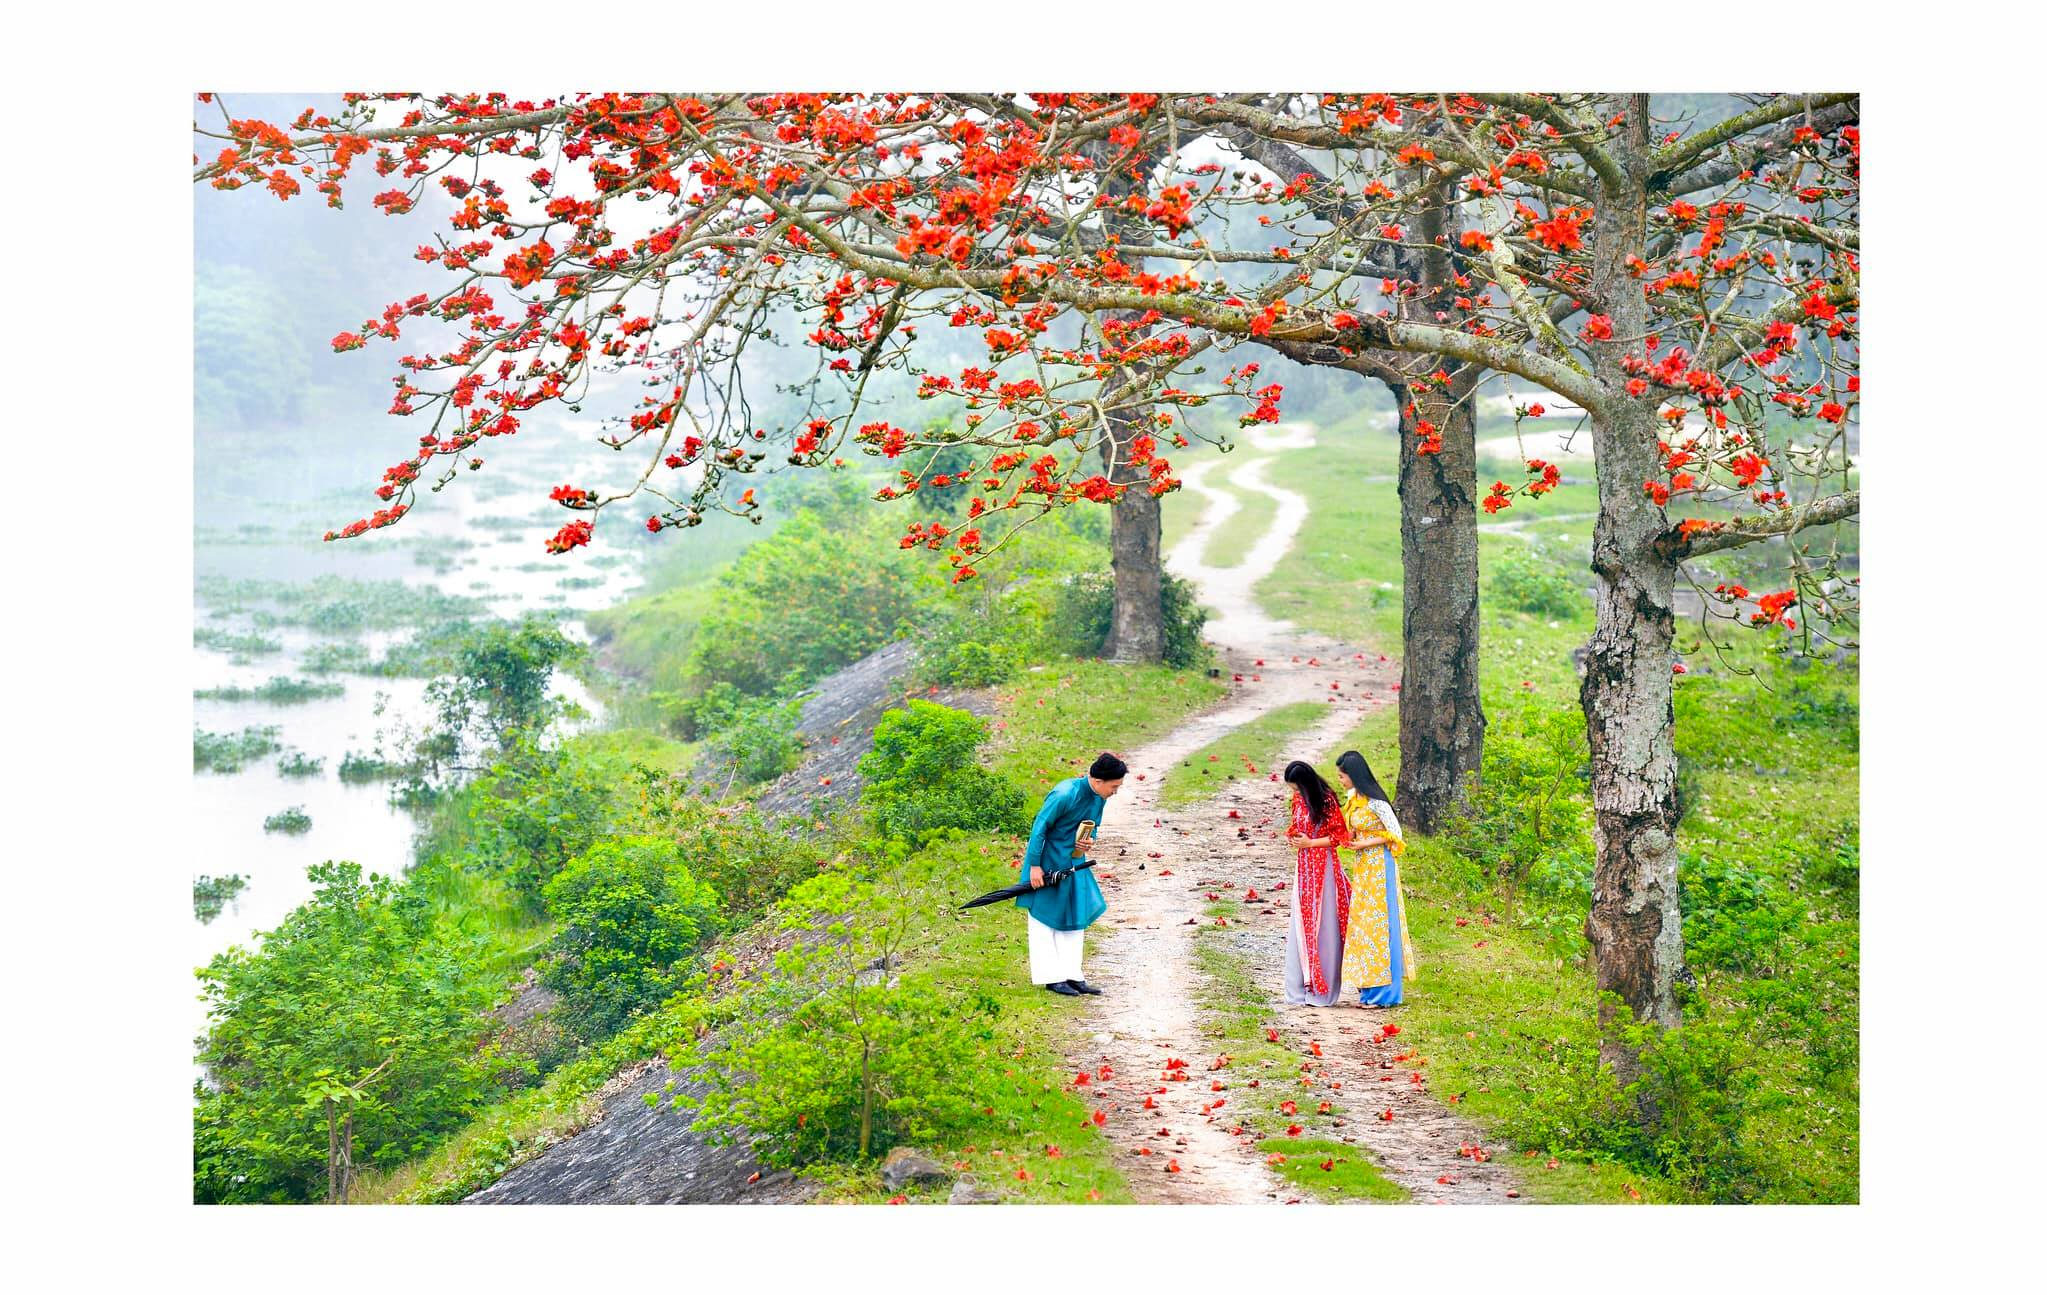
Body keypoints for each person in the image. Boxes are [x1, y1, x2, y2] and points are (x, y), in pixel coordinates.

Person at [1016, 752, 1125, 996]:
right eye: (1114, 786)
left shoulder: (1099, 797)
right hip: (1046, 860)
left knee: (1076, 912)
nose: (1115, 792)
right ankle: (1051, 977)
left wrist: (1087, 843)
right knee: (1044, 917)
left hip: (1074, 860)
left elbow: (1093, 826)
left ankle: (1073, 974)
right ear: (1098, 781)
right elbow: (1039, 828)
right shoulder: (1065, 793)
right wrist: (1034, 866)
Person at [1334, 749, 1414, 1008]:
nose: (1340, 780)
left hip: (1381, 865)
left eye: (1343, 776)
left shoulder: (1377, 801)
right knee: (1365, 925)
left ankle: (1385, 993)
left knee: (1380, 923)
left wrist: (1367, 842)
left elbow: (1396, 834)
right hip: (1364, 866)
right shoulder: (1353, 798)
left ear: (1354, 776)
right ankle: (1368, 989)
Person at [1282, 759, 1352, 1007]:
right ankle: (1299, 986)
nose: (1294, 793)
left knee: (1324, 924)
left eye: (1296, 788)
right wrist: (1295, 837)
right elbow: (1297, 825)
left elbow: (1339, 836)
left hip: (1324, 867)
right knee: (1302, 922)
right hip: (1304, 869)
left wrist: (1311, 843)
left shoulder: (1327, 800)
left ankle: (1323, 989)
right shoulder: (1298, 800)